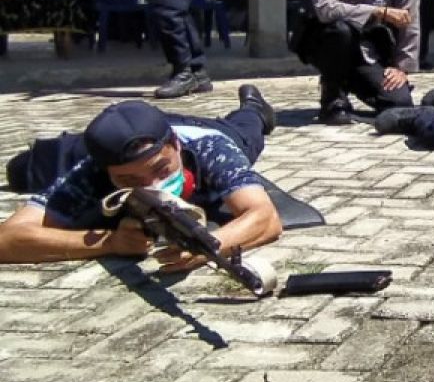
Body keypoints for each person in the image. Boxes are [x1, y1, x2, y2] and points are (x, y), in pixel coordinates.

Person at [0, 95, 282, 268]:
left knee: (247, 132)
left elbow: (266, 218)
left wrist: (209, 247)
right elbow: (7, 238)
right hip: (84, 147)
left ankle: (253, 106)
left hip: (203, 129)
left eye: (161, 169)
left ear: (175, 146)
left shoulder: (211, 148)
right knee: (21, 172)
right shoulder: (89, 168)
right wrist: (110, 243)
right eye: (131, 179)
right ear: (106, 171)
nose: (154, 186)